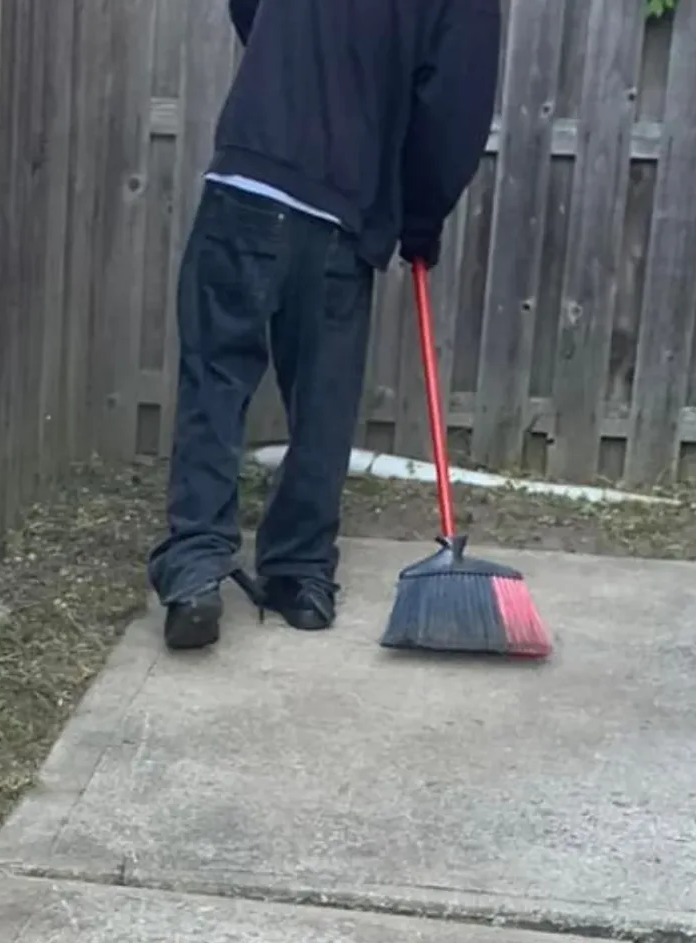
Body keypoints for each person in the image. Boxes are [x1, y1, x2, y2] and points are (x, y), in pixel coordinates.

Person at [149, 0, 503, 652]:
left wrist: (290, 67)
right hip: (342, 205)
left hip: (247, 177)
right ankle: (300, 576)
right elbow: (453, 109)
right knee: (324, 399)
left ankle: (195, 570)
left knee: (216, 376)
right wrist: (420, 218)